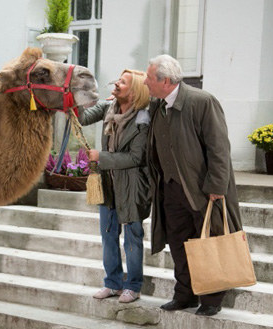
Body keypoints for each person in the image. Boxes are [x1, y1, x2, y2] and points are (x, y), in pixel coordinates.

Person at [143, 54, 243, 316]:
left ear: (165, 80)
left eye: (149, 77)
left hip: (202, 190)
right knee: (179, 242)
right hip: (171, 189)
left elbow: (219, 149)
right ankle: (184, 294)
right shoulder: (157, 105)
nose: (145, 82)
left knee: (208, 243)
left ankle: (211, 299)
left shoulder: (202, 102)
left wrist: (216, 186)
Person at [80, 69, 152, 303]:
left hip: (132, 186)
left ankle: (133, 286)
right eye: (119, 80)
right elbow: (81, 117)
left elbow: (135, 158)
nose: (116, 84)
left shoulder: (143, 119)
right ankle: (112, 283)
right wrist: (74, 99)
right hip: (108, 184)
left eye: (122, 82)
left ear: (134, 92)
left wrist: (100, 157)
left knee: (132, 237)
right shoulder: (108, 107)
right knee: (108, 235)